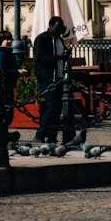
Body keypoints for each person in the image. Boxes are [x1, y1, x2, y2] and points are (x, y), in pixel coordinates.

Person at [33, 14, 73, 143]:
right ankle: (40, 134)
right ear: (50, 26)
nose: (58, 31)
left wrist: (66, 55)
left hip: (59, 77)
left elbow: (61, 56)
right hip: (46, 77)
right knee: (51, 106)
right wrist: (58, 57)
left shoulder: (59, 40)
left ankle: (52, 136)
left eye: (61, 29)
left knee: (57, 108)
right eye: (56, 28)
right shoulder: (42, 39)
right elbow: (39, 59)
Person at [0, 30, 20, 130]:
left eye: (10, 39)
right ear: (1, 41)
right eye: (7, 39)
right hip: (3, 87)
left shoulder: (9, 53)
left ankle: (4, 132)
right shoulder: (1, 53)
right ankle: (2, 133)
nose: (9, 41)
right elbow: (1, 70)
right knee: (5, 112)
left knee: (9, 112)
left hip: (9, 85)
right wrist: (17, 72)